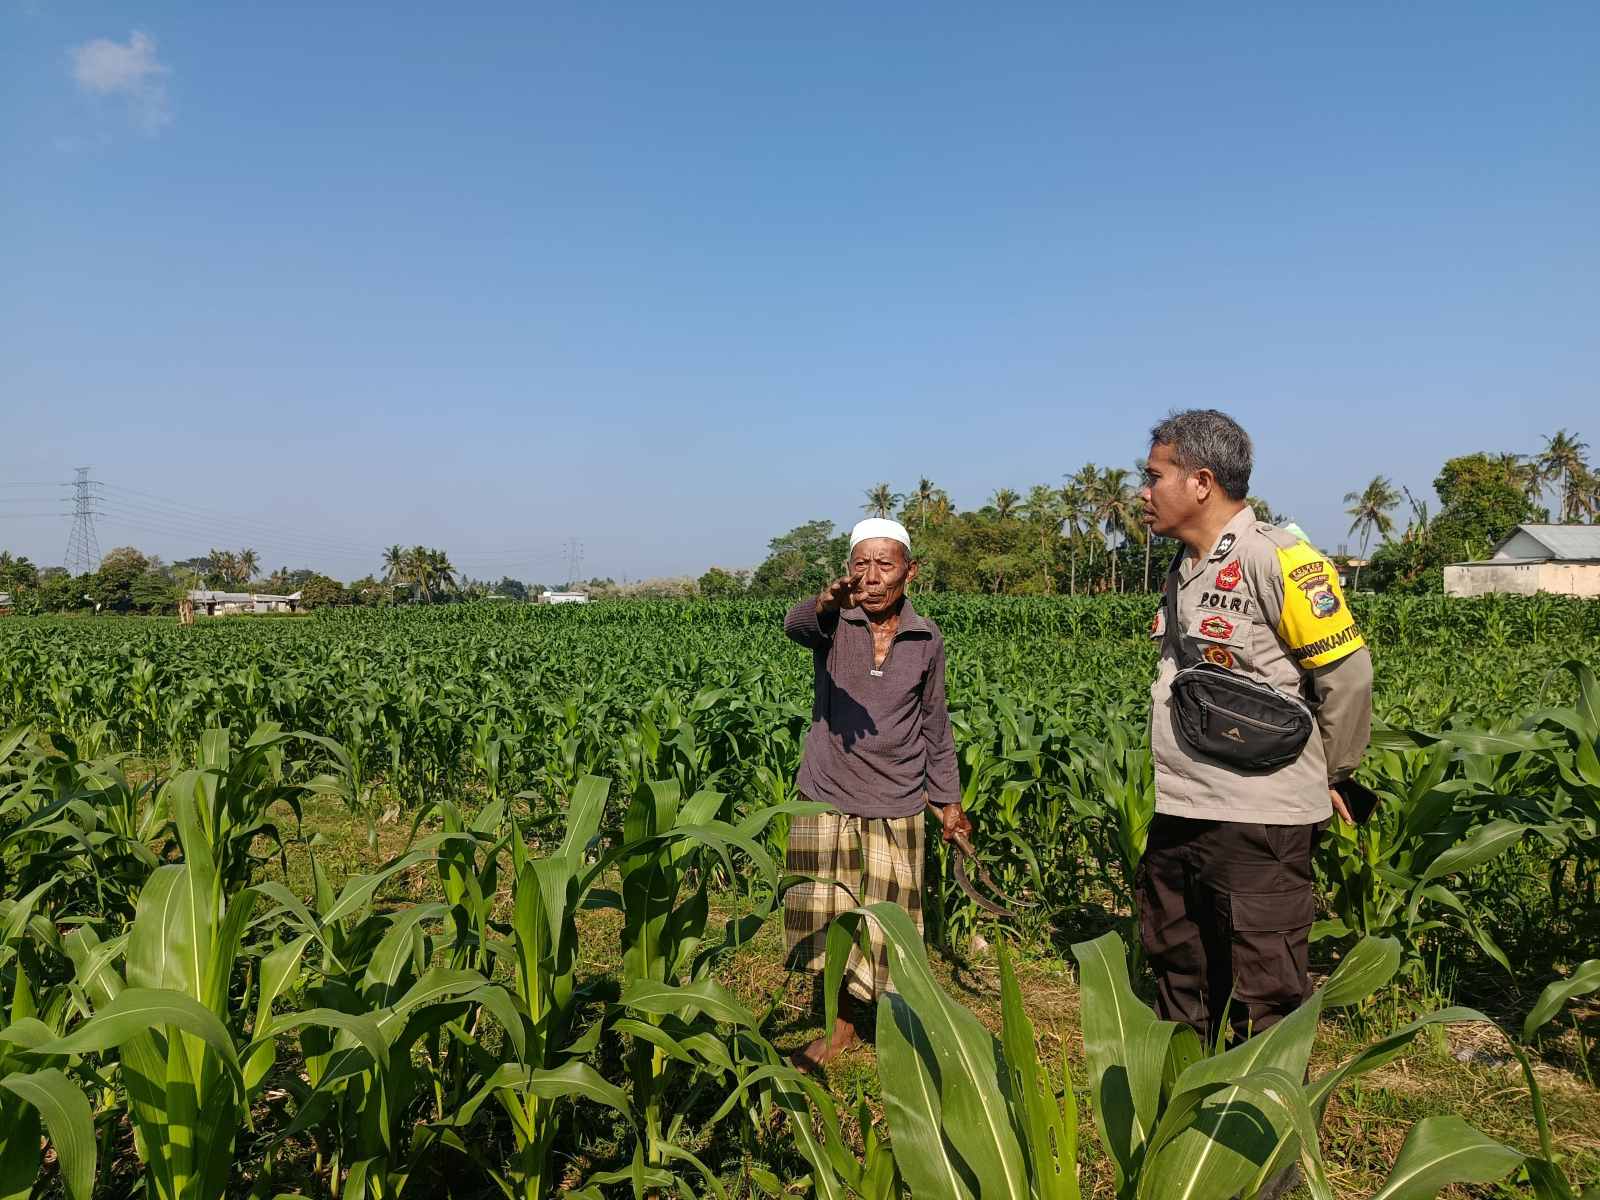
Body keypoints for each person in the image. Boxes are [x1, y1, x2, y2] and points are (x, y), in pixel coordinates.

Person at [1139, 409, 1373, 1046]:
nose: (1143, 491)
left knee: (1265, 992)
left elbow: (1347, 678)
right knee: (1178, 972)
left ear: (1202, 482)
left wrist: (1333, 773)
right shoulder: (1183, 568)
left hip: (1260, 818)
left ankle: (1266, 1140)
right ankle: (1181, 1123)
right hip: (1183, 809)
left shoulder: (1279, 561)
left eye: (1153, 475)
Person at [781, 517, 971, 1070]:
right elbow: (795, 628)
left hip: (897, 797)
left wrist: (949, 800)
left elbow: (935, 724)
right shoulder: (833, 622)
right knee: (827, 916)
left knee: (892, 925)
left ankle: (896, 1028)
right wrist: (822, 602)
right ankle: (839, 1028)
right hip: (829, 793)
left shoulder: (926, 638)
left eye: (884, 564)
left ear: (909, 573)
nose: (871, 575)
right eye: (860, 563)